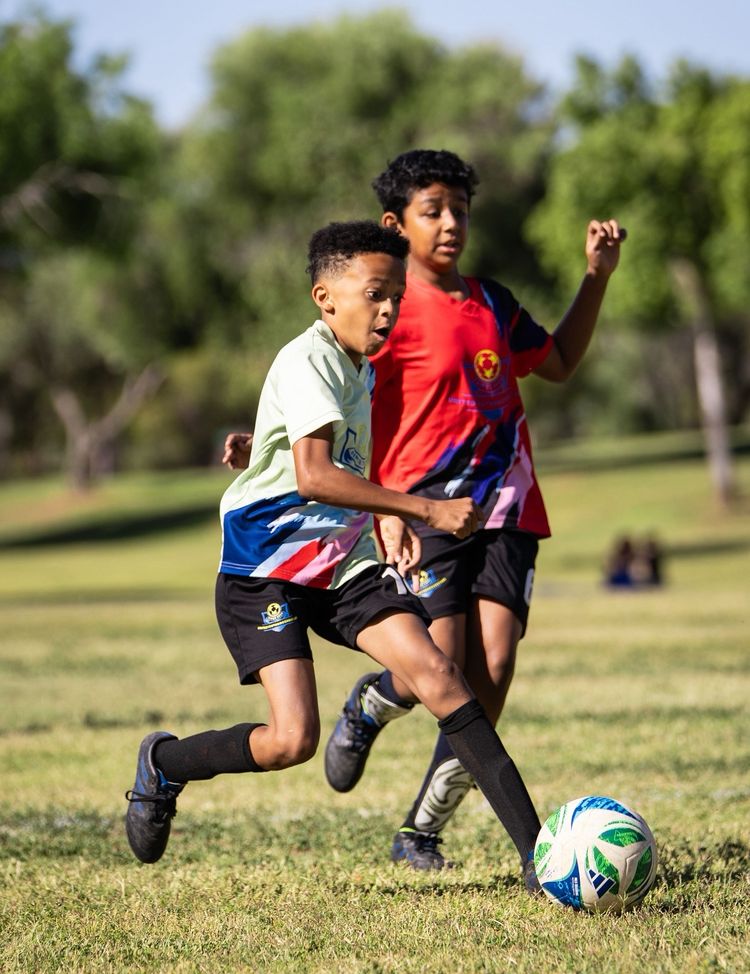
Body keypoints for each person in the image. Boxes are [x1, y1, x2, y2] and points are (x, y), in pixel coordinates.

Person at [125, 220, 543, 892]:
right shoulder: (310, 358)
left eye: (396, 298)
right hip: (266, 573)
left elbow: (323, 455)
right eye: (375, 294)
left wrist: (378, 517)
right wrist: (421, 509)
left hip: (340, 567)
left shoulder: (360, 368)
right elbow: (316, 475)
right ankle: (167, 763)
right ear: (325, 297)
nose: (389, 310)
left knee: (439, 673)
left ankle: (537, 855)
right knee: (292, 741)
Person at [317, 150, 626, 871]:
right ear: (397, 224)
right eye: (434, 211)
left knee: (493, 667)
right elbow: (332, 410)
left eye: (460, 209)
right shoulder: (383, 313)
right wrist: (383, 510)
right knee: (441, 662)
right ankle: (373, 702)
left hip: (508, 510)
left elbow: (557, 362)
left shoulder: (492, 302)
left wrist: (596, 278)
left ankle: (421, 830)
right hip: (422, 518)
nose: (451, 223)